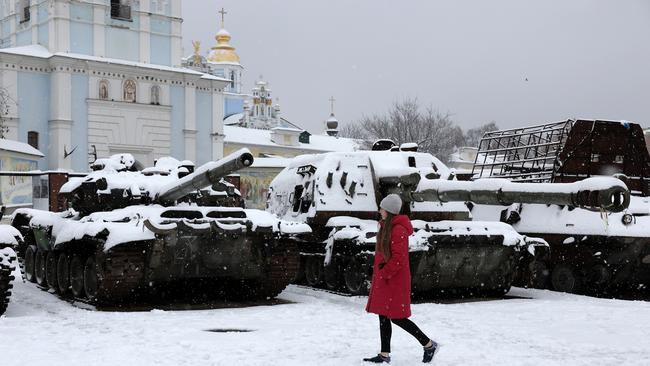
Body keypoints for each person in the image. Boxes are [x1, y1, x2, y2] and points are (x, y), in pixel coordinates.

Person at [364, 194, 439, 364]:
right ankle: (384, 354)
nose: (379, 210)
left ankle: (428, 344)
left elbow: (399, 258)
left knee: (397, 317)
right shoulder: (386, 227)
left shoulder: (398, 230)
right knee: (383, 315)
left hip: (394, 281)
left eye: (382, 207)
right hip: (386, 279)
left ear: (389, 211)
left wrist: (384, 271)